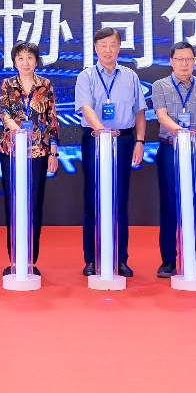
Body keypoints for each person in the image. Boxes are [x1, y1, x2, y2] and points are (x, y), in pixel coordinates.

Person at [74, 27, 147, 277]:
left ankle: (120, 258)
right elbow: (86, 108)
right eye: (103, 45)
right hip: (95, 139)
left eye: (112, 45)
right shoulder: (86, 76)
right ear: (96, 48)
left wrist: (139, 141)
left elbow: (139, 112)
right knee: (92, 199)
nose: (108, 50)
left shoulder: (130, 76)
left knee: (120, 199)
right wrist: (102, 131)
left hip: (124, 139)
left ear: (119, 47)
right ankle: (92, 258)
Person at [151, 41, 196, 279]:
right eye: (179, 59)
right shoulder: (160, 85)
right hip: (170, 148)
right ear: (171, 62)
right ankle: (168, 260)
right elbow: (161, 116)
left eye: (189, 59)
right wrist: (181, 132)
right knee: (170, 204)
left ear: (194, 61)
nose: (184, 64)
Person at [0, 41, 60, 277]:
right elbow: (3, 111)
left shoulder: (45, 85)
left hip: (38, 151)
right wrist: (16, 130)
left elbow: (52, 118)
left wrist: (53, 151)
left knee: (33, 205)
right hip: (11, 150)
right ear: (15, 62)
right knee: (13, 205)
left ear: (36, 61)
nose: (25, 63)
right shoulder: (7, 84)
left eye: (30, 58)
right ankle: (14, 260)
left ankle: (30, 260)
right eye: (21, 58)